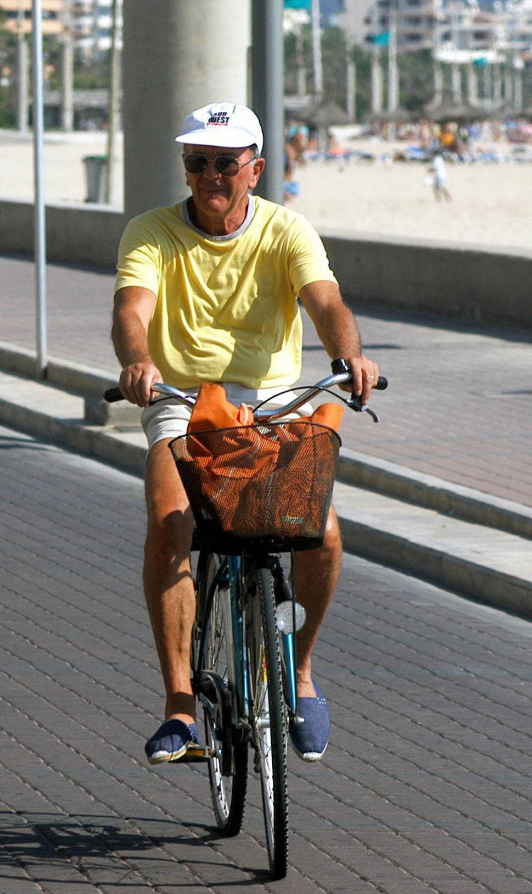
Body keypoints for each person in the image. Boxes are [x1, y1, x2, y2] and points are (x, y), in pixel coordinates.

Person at [111, 102, 380, 766]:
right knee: (169, 518)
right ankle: (179, 706)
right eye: (196, 162)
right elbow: (130, 308)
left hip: (275, 400)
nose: (209, 176)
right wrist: (136, 362)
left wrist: (348, 359)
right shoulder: (150, 233)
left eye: (224, 163)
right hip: (182, 396)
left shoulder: (287, 231)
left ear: (254, 170)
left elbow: (326, 303)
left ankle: (302, 674)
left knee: (321, 530)